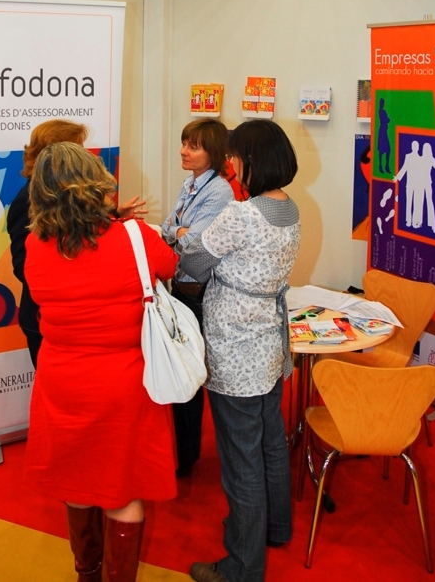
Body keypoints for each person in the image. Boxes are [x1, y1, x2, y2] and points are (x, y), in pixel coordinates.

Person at [25, 142, 178, 582]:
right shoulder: (135, 237)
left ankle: (86, 572)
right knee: (123, 490)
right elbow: (169, 266)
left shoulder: (36, 245)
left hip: (62, 379)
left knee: (77, 482)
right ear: (96, 183)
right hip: (123, 382)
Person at [179, 119, 301, 582]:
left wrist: (184, 237)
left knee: (240, 461)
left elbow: (194, 263)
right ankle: (276, 528)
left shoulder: (242, 214)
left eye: (233, 156)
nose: (229, 163)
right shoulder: (289, 209)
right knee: (270, 442)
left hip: (234, 345)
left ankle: (242, 567)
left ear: (250, 160)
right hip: (268, 343)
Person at [7, 119, 145, 368]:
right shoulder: (27, 201)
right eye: (78, 148)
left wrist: (114, 214)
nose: (84, 155)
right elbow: (22, 265)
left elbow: (80, 230)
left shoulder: (68, 195)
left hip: (79, 320)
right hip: (45, 320)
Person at [161, 119, 234, 475]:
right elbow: (168, 229)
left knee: (191, 375)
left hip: (200, 293)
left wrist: (175, 233)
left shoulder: (219, 191)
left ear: (214, 152)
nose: (183, 152)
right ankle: (182, 453)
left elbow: (195, 244)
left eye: (193, 146)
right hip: (181, 289)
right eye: (184, 143)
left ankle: (187, 457)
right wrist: (178, 231)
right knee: (180, 373)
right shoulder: (190, 183)